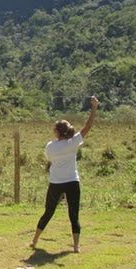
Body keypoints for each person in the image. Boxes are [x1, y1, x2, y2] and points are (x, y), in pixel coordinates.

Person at [30, 96, 99, 253]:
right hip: (72, 182)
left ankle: (34, 241)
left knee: (48, 211)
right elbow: (87, 127)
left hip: (55, 183)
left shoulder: (50, 146)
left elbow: (50, 159)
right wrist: (94, 108)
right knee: (73, 214)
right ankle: (76, 246)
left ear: (57, 132)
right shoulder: (73, 143)